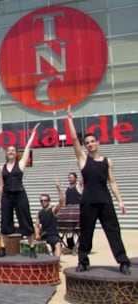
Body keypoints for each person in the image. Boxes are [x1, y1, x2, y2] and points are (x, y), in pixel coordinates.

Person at [67, 105, 131, 275]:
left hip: (105, 201)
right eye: (87, 143)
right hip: (88, 202)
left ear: (98, 142)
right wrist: (70, 120)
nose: (90, 144)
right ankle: (83, 261)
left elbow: (113, 182)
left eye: (92, 141)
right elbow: (74, 140)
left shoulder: (107, 161)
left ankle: (123, 262)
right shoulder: (82, 160)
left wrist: (120, 201)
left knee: (113, 232)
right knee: (86, 233)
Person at [0, 123, 40, 258]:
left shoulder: (21, 164)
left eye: (13, 150)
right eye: (8, 150)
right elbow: (0, 186)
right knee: (5, 222)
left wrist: (33, 134)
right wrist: (0, 202)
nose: (10, 152)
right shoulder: (1, 168)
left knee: (25, 220)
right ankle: (3, 248)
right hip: (6, 196)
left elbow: (27, 148)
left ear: (16, 154)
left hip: (19, 194)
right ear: (6, 153)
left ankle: (32, 247)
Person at [34, 180, 65, 257]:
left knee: (58, 244)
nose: (43, 202)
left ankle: (56, 261)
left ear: (49, 201)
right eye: (41, 201)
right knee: (48, 246)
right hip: (44, 235)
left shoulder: (53, 210)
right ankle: (51, 258)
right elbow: (37, 225)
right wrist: (37, 234)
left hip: (53, 235)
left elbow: (61, 202)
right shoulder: (39, 213)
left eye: (45, 200)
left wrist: (59, 189)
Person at [65, 172, 83, 251]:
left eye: (72, 177)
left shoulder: (78, 186)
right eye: (69, 177)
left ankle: (81, 245)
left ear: (75, 178)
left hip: (77, 211)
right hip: (69, 212)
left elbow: (83, 179)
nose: (70, 179)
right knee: (69, 230)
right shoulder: (67, 188)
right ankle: (70, 245)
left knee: (79, 230)